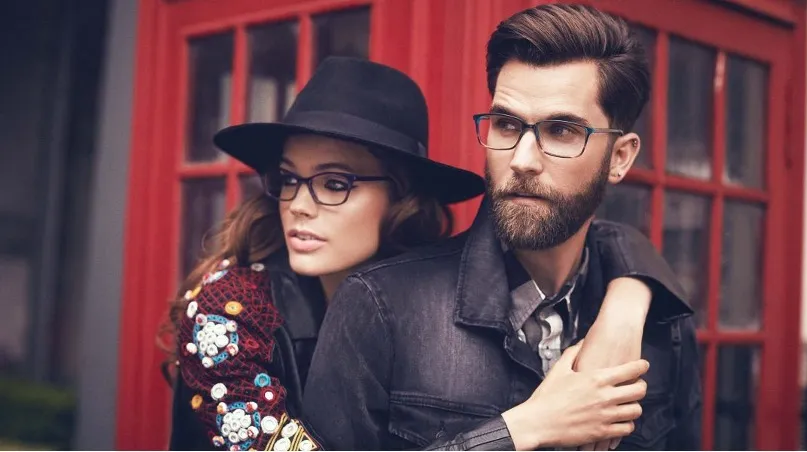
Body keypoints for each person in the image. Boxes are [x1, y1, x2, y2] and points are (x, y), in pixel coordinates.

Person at [166, 57, 690, 451]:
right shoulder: (228, 310)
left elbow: (585, 230)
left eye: (334, 183)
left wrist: (630, 296)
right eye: (289, 180)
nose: (299, 206)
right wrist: (526, 427)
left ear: (401, 199)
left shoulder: (417, 285)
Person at [300, 5, 702, 451]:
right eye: (507, 124)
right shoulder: (380, 306)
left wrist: (634, 294)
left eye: (562, 130)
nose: (522, 159)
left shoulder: (660, 325)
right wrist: (513, 435)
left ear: (621, 157)